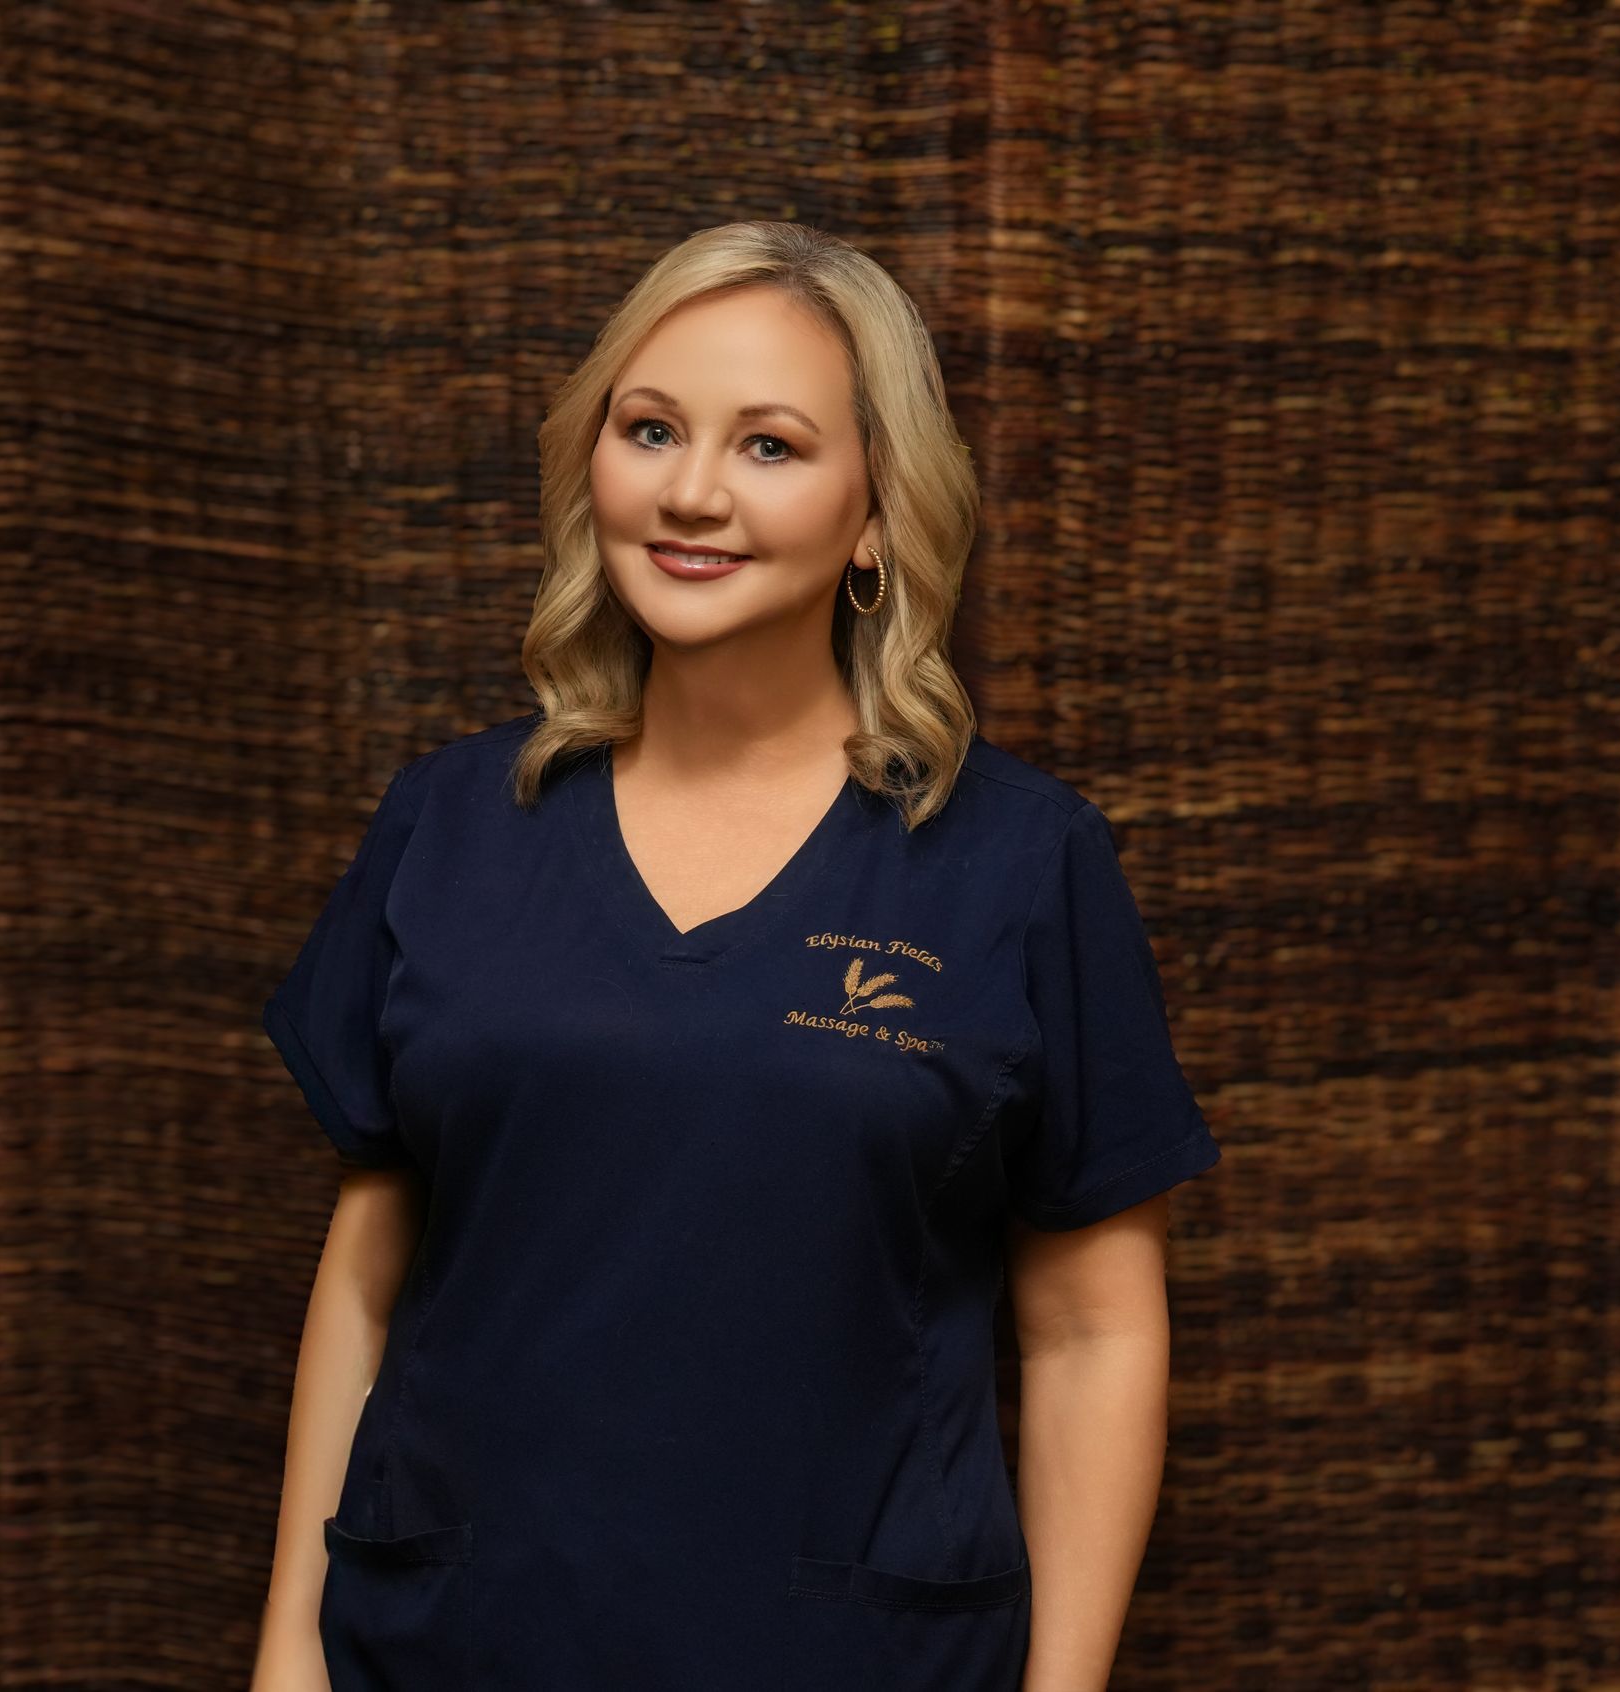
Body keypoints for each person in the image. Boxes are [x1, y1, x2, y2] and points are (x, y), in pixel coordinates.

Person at [250, 220, 1222, 1692]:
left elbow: (1093, 1336)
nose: (691, 492)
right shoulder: (449, 824)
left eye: (769, 446)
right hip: (454, 1643)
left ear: (881, 512)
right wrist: (287, 1657)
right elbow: (372, 1283)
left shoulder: (1020, 865)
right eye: (651, 431)